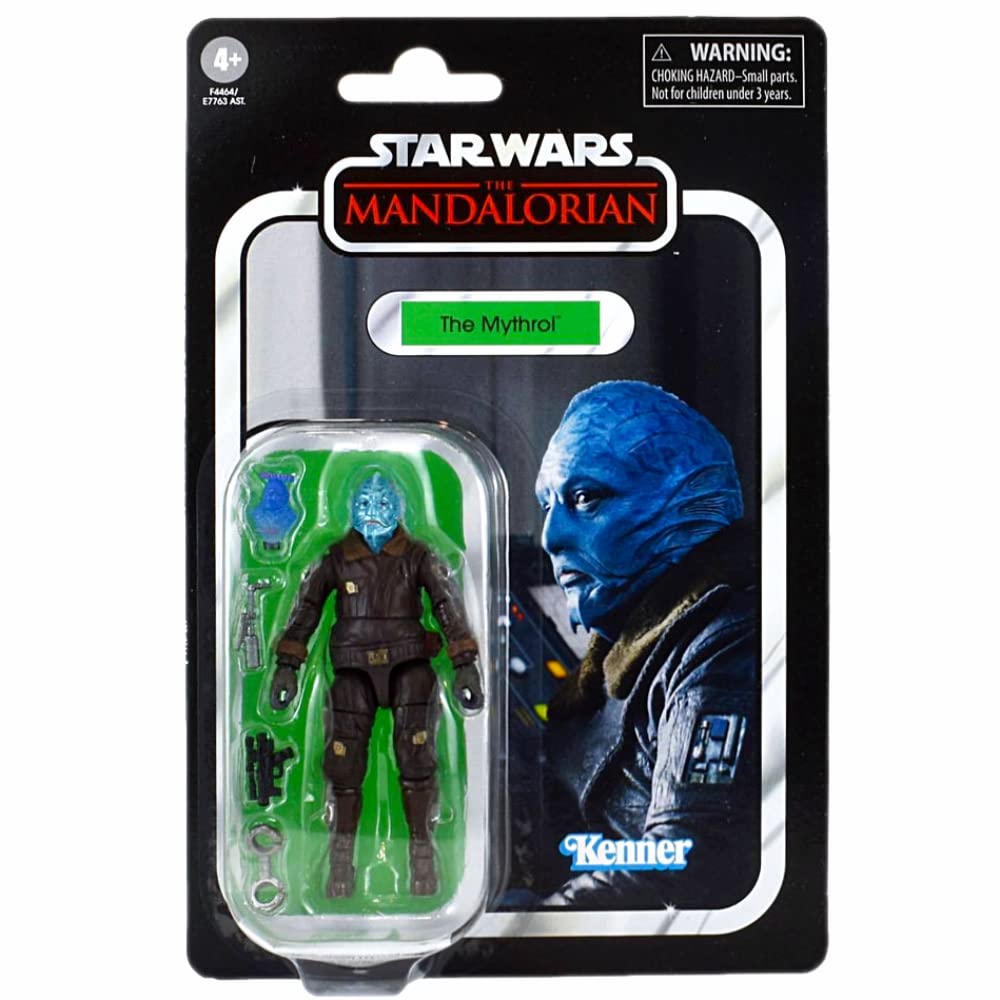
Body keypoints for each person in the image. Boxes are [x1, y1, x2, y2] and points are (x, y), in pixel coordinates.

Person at [535, 381, 759, 908]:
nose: (550, 536)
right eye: (547, 504)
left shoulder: (722, 644)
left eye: (585, 498)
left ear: (679, 495)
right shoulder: (626, 647)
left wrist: (537, 924)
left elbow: (685, 858)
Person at [270, 472, 484, 898]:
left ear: (398, 509)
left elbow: (447, 605)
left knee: (416, 758)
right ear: (352, 510)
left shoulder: (418, 556)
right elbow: (306, 609)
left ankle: (422, 854)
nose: (373, 510)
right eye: (364, 503)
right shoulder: (335, 558)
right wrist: (287, 665)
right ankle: (340, 861)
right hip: (353, 668)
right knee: (343, 764)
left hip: (409, 665)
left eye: (382, 503)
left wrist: (464, 662)